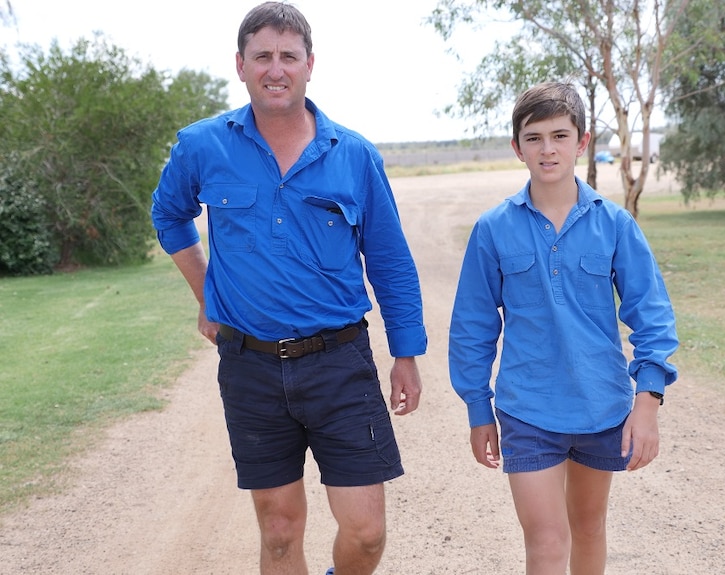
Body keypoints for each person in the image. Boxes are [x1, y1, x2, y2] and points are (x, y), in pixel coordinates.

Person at [150, 3, 426, 574]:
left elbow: (391, 260)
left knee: (367, 533)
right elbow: (168, 215)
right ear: (241, 65)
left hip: (340, 362)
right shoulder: (203, 145)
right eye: (263, 57)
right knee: (278, 533)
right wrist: (208, 296)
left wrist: (406, 354)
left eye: (288, 57)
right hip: (249, 365)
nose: (276, 69)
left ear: (309, 65)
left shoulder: (353, 155)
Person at [448, 81, 678, 575]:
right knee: (548, 542)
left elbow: (651, 314)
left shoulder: (615, 225)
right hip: (527, 410)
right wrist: (476, 408)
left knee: (589, 529)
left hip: (602, 407)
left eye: (559, 135)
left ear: (582, 142)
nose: (547, 149)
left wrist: (648, 403)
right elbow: (472, 325)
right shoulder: (493, 229)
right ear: (517, 147)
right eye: (533, 138)